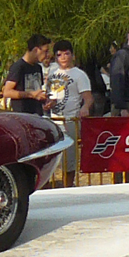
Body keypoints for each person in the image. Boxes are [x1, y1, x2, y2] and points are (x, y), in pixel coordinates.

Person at [45, 40, 91, 186]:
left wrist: (85, 107)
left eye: (66, 54)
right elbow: (50, 96)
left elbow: (88, 97)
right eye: (59, 55)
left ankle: (68, 185)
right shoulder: (52, 74)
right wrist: (48, 103)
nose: (63, 57)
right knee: (51, 157)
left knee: (69, 158)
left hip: (71, 120)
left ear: (72, 55)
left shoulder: (79, 75)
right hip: (54, 120)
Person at [2, 34, 52, 114]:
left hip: (37, 114)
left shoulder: (38, 67)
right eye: (45, 51)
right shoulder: (18, 67)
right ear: (36, 50)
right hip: (22, 114)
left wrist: (45, 100)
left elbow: (38, 91)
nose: (47, 55)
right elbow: (7, 92)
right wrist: (30, 94)